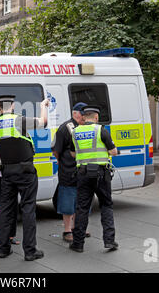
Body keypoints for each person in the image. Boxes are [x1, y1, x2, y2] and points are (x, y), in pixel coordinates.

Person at [0, 94, 49, 261]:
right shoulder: (19, 120)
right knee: (28, 209)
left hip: (7, 173)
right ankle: (30, 251)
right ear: (14, 106)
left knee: (5, 210)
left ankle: (3, 248)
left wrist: (0, 113)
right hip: (25, 172)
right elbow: (43, 122)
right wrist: (42, 106)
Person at [69, 105, 118, 253]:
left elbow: (72, 154)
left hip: (83, 174)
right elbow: (113, 151)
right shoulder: (101, 130)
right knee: (106, 205)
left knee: (82, 208)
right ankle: (109, 241)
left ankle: (78, 244)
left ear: (84, 117)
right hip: (101, 174)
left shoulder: (75, 132)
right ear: (96, 117)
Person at [51, 102, 90, 243]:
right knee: (68, 201)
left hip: (83, 170)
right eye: (82, 113)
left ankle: (78, 228)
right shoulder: (65, 128)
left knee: (82, 200)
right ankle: (67, 230)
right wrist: (63, 162)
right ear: (75, 113)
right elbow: (56, 149)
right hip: (68, 171)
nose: (84, 116)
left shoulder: (86, 127)